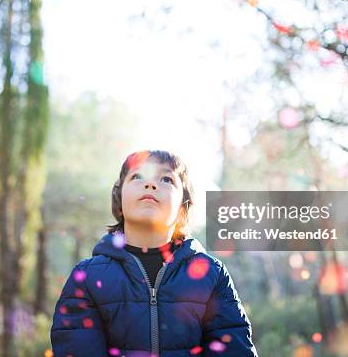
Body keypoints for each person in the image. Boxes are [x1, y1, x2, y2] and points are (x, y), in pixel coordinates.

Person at [51, 150, 258, 357]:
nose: (150, 184)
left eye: (166, 178)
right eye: (137, 176)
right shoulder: (87, 278)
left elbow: (234, 349)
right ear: (119, 199)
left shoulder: (211, 274)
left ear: (182, 208)